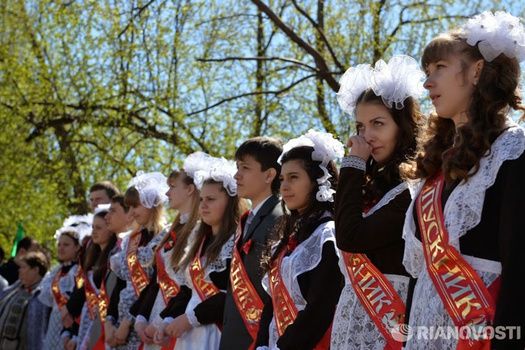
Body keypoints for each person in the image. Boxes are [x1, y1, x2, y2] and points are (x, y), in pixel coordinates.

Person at [401, 11, 525, 349]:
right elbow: (421, 275)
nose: (427, 83)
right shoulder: (434, 170)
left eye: (439, 68)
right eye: (426, 72)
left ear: (476, 71)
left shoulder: (513, 152)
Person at [331, 55, 424, 349]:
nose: (367, 136)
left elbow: (350, 237)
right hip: (355, 323)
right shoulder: (373, 185)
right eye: (360, 127)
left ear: (402, 126)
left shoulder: (412, 187)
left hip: (392, 328)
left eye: (378, 124)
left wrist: (353, 166)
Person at [256, 130, 344, 350]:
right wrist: (262, 345)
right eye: (283, 179)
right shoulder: (286, 235)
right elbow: (273, 302)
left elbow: (320, 308)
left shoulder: (328, 234)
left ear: (317, 181)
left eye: (294, 177)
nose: (284, 186)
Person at [161, 155, 245, 349]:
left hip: (215, 331)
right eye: (201, 199)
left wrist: (190, 318)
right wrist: (167, 320)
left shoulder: (236, 241)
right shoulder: (199, 240)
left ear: (231, 202)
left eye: (211, 199)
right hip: (190, 334)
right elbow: (189, 290)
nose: (203, 205)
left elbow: (231, 295)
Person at [219, 136, 284, 350]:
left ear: (269, 175)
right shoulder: (247, 219)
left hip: (257, 339)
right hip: (234, 336)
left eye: (245, 168)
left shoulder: (280, 217)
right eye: (237, 167)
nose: (237, 175)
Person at [130, 161, 201, 350]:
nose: (167, 193)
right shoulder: (171, 231)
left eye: (172, 187)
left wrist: (163, 321)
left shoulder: (200, 230)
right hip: (158, 314)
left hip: (178, 318)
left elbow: (191, 286)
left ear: (190, 189)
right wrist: (141, 317)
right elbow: (157, 280)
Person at [109, 172, 169, 349]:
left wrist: (128, 323)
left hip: (144, 319)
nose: (132, 212)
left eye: (136, 205)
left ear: (152, 204)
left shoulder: (163, 238)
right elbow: (121, 283)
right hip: (121, 322)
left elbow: (153, 284)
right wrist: (111, 321)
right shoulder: (130, 239)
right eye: (130, 207)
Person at [39, 215, 90, 349]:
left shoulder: (78, 271)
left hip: (72, 324)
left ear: (77, 247)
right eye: (59, 244)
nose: (61, 248)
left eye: (66, 245)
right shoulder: (55, 271)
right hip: (54, 321)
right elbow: (45, 295)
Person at [0, 250, 50, 350]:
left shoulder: (43, 296)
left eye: (23, 267)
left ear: (35, 270)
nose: (19, 270)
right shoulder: (17, 288)